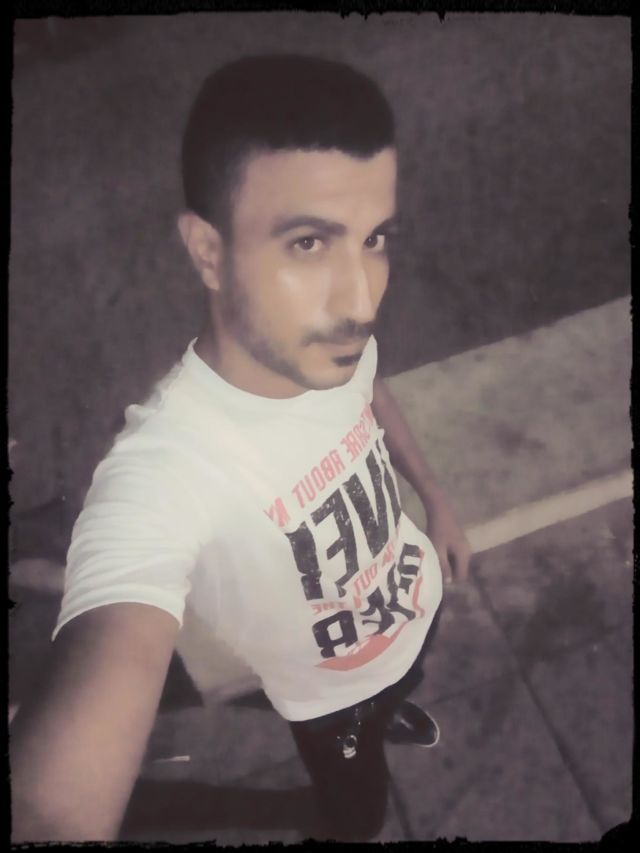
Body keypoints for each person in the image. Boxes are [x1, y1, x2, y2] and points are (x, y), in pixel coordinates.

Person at [10, 54, 471, 843]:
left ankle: (392, 703)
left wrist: (436, 500)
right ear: (208, 251)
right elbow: (55, 803)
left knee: (401, 678)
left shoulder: (325, 343)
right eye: (307, 243)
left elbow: (372, 389)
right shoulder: (167, 465)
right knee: (356, 818)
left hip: (412, 603)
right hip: (329, 703)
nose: (362, 297)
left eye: (374, 238)